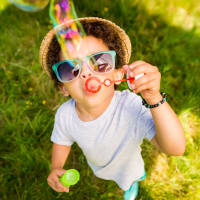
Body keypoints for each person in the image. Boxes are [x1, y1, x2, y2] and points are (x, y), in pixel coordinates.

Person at [40, 17, 186, 200]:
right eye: (70, 69)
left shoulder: (131, 106)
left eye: (99, 62)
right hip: (98, 165)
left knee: (129, 178)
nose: (86, 72)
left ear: (117, 75)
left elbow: (176, 148)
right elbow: (62, 141)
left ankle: (132, 184)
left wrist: (153, 98)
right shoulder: (65, 115)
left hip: (128, 165)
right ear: (63, 87)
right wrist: (56, 167)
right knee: (104, 173)